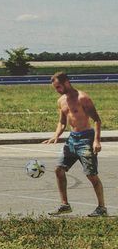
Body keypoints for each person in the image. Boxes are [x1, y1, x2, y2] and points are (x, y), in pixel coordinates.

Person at [43, 72, 105, 217]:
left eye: (59, 87)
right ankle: (65, 204)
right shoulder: (61, 101)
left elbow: (97, 120)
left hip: (86, 139)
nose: (57, 90)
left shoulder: (83, 98)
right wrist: (55, 135)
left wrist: (96, 140)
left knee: (91, 175)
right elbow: (62, 122)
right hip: (72, 139)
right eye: (55, 88)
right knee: (59, 170)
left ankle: (102, 207)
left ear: (67, 82)